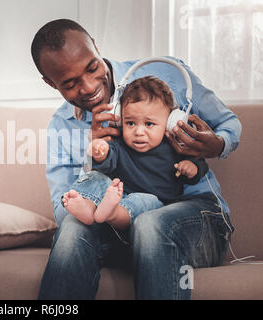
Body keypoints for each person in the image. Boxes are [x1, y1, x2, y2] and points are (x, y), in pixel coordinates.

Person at [31, 18, 241, 299]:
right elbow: (63, 208)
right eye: (70, 83)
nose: (90, 86)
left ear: (95, 45)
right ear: (50, 83)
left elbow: (229, 123)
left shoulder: (165, 72)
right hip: (120, 230)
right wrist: (93, 153)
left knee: (151, 223)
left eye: (93, 67)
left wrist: (215, 144)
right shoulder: (61, 125)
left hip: (194, 218)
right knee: (73, 224)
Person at [61, 76, 209, 229]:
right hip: (117, 194)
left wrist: (192, 167)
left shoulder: (175, 147)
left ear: (169, 122)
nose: (138, 132)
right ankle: (87, 205)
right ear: (120, 119)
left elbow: (199, 164)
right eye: (130, 123)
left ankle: (112, 213)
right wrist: (100, 152)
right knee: (94, 176)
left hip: (156, 204)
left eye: (149, 124)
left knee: (141, 200)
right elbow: (108, 160)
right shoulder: (119, 144)